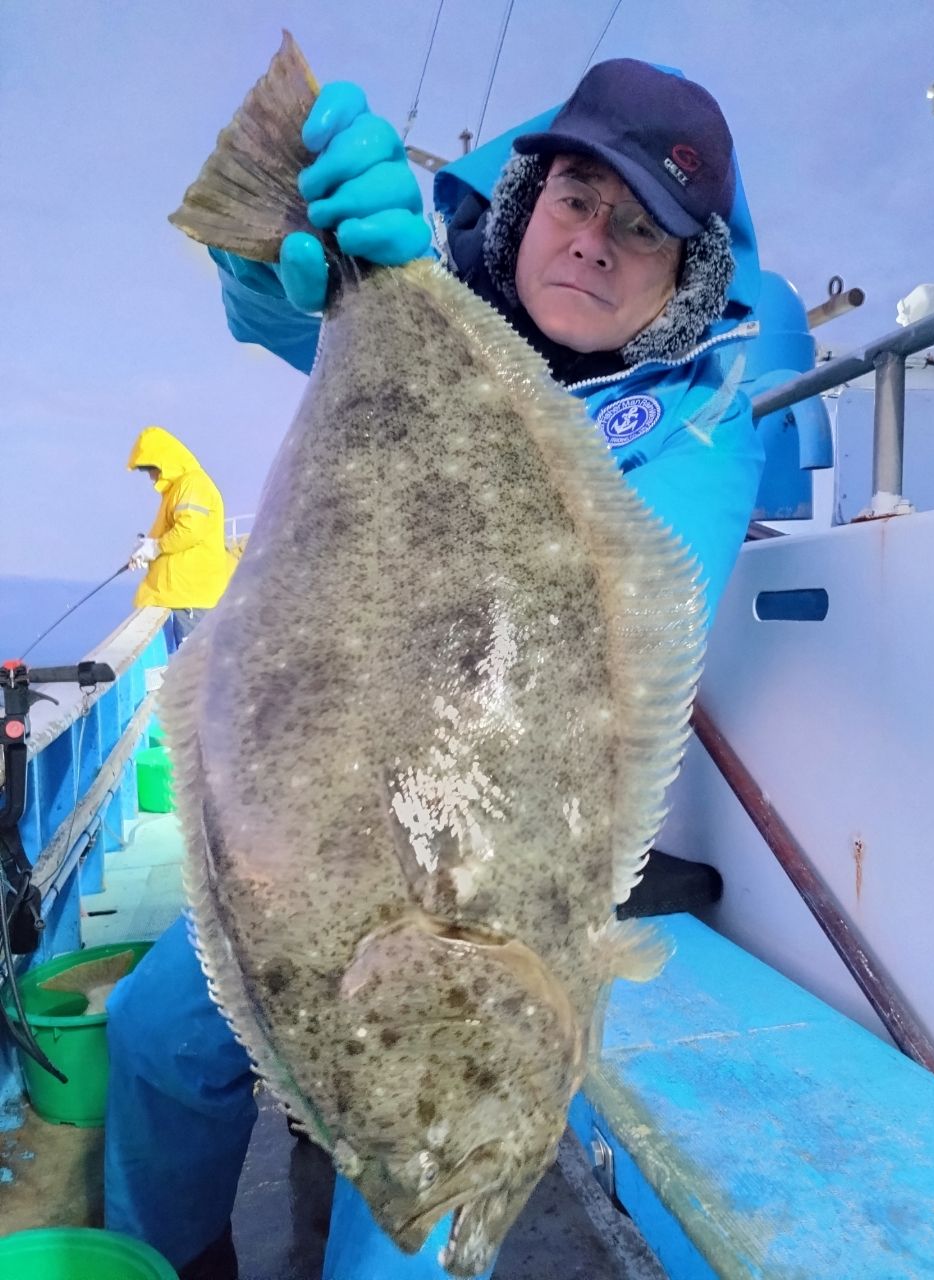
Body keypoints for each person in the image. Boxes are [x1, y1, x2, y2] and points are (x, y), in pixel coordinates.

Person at [105, 59, 765, 1280]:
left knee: (402, 1234)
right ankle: (174, 1256)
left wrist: (395, 309)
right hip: (336, 817)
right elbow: (281, 315)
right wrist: (272, 261)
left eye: (643, 232)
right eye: (579, 200)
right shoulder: (438, 295)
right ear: (526, 201)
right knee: (152, 1032)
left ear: (689, 276)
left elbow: (640, 585)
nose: (598, 244)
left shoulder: (707, 416)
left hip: (502, 837)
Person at [127, 425, 235, 648]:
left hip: (190, 599)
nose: (150, 476)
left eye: (150, 469)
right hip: (182, 597)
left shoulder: (193, 484)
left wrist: (156, 548)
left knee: (193, 671)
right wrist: (147, 548)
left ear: (163, 463)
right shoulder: (178, 489)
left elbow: (189, 529)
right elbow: (171, 530)